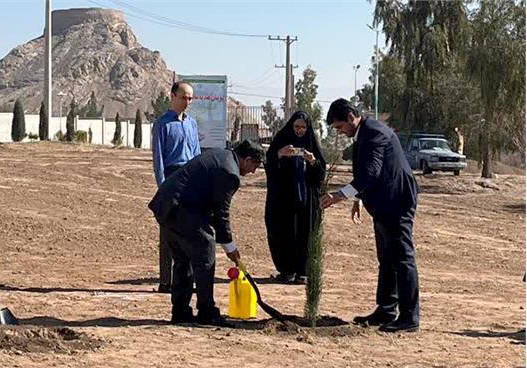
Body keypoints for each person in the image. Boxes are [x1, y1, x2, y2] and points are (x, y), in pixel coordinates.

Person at [321, 98, 420, 333]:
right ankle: (386, 309)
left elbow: (371, 173)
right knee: (386, 257)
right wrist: (358, 199)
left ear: (350, 117)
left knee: (402, 258)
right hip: (382, 203)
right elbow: (365, 173)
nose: (340, 132)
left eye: (339, 127)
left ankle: (409, 317)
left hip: (396, 201)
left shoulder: (374, 133)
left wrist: (340, 195)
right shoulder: (364, 134)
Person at [148, 140, 264, 326]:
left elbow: (211, 207)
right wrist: (230, 247)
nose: (253, 171)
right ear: (247, 159)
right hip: (181, 209)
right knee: (205, 251)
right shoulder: (229, 172)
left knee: (183, 259)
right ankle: (207, 311)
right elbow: (221, 213)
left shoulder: (222, 156)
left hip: (167, 206)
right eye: (255, 166)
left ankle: (180, 311)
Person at [265, 111, 326, 284]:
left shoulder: (312, 144)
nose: (300, 130)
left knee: (305, 233)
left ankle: (303, 271)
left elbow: (321, 173)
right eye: (297, 127)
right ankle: (286, 270)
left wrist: (313, 161)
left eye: (303, 127)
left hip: (307, 200)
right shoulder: (281, 140)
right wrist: (279, 154)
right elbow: (268, 163)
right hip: (283, 199)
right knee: (283, 232)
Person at [152, 81, 201, 293]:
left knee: (192, 231)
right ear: (173, 96)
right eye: (184, 97)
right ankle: (166, 280)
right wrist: (163, 187)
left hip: (191, 179)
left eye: (190, 98)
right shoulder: (162, 124)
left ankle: (189, 279)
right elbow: (158, 159)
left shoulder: (192, 124)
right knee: (168, 231)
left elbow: (197, 154)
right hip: (171, 178)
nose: (187, 102)